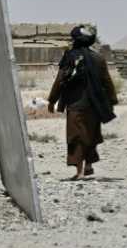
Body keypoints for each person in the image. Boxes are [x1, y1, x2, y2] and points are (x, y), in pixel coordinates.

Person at [48, 25, 117, 180]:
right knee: (91, 134)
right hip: (94, 105)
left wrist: (52, 100)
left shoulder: (71, 57)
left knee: (76, 137)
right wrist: (111, 100)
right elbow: (107, 81)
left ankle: (79, 171)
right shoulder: (98, 58)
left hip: (75, 105)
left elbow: (59, 80)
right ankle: (88, 165)